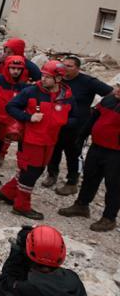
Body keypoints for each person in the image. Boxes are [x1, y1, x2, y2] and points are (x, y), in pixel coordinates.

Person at [0, 61, 74, 219]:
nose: (43, 79)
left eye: (48, 77)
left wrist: (63, 121)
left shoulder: (67, 97)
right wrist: (28, 117)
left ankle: (7, 193)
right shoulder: (31, 92)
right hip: (30, 140)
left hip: (50, 141)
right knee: (30, 171)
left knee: (36, 170)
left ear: (58, 79)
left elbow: (75, 117)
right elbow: (11, 107)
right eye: (43, 75)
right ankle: (21, 206)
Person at [41, 55, 112, 195]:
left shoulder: (88, 81)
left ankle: (72, 182)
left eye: (69, 66)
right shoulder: (57, 79)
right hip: (58, 122)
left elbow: (110, 93)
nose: (65, 68)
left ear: (78, 68)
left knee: (74, 154)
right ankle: (52, 174)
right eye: (64, 65)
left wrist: (97, 108)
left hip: (78, 126)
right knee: (54, 149)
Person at [58, 82, 120, 231]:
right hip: (97, 147)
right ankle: (81, 205)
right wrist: (82, 136)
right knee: (90, 177)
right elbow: (93, 118)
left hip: (117, 153)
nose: (118, 90)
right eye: (119, 86)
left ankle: (109, 218)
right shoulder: (108, 100)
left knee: (114, 185)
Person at [0, 55, 29, 184]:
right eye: (13, 68)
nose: (15, 71)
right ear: (7, 68)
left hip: (7, 121)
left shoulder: (23, 88)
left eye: (19, 69)